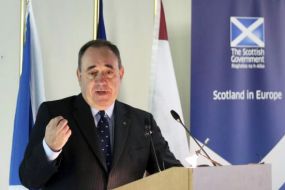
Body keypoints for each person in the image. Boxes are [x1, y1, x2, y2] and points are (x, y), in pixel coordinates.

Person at [19, 39, 182, 190]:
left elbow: (172, 174)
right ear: (79, 76)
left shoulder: (143, 122)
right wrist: (50, 148)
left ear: (121, 74)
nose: (101, 81)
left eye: (109, 72)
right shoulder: (54, 113)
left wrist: (201, 176)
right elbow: (30, 180)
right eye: (92, 72)